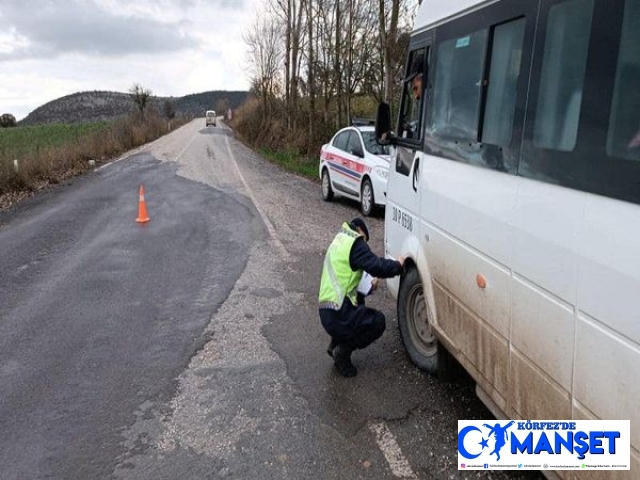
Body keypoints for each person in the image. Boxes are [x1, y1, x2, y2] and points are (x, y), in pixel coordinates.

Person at [318, 218, 405, 377]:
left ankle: (335, 343)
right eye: (365, 239)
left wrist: (368, 287)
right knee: (378, 322)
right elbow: (377, 266)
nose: (365, 244)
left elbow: (346, 281)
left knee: (359, 303)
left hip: (327, 311)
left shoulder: (340, 240)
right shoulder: (355, 242)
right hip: (338, 314)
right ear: (359, 229)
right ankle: (342, 353)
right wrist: (398, 265)